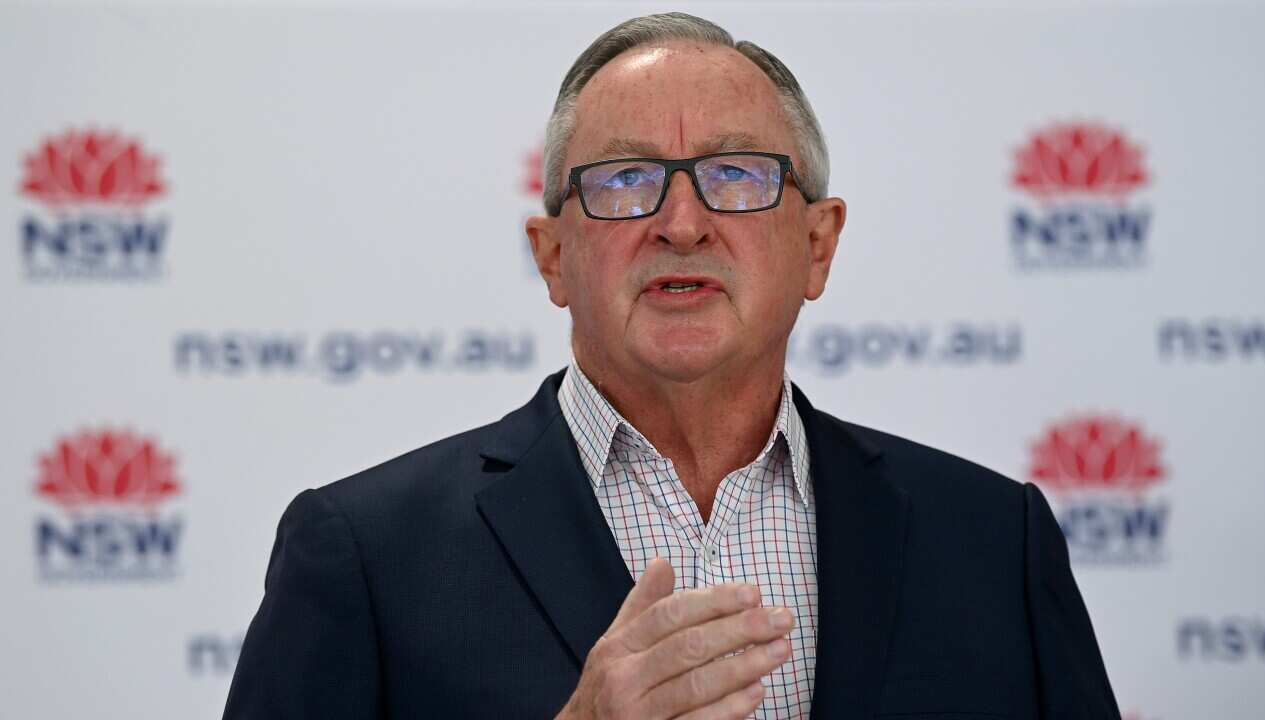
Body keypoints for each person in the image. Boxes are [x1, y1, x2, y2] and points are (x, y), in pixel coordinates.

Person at [223, 12, 1121, 720]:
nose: (682, 224)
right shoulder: (366, 554)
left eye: (736, 175)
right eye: (624, 182)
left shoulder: (993, 542)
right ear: (552, 257)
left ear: (817, 245)